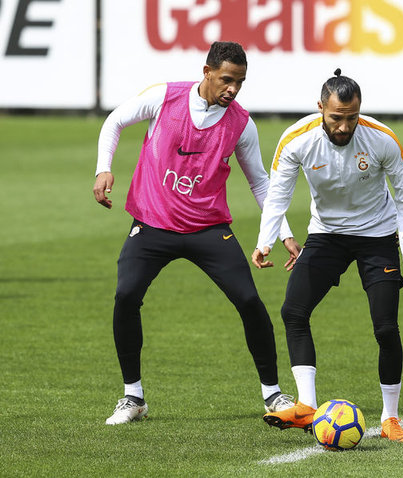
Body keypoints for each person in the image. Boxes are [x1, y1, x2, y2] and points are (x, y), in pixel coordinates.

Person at [93, 41, 300, 425]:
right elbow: (115, 121)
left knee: (249, 301)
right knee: (126, 295)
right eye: (226, 79)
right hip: (152, 223)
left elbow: (260, 182)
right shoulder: (164, 97)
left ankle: (273, 394)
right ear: (207, 72)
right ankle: (133, 397)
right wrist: (103, 168)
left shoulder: (241, 123)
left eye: (240, 82)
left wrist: (283, 233)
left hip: (208, 228)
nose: (233, 89)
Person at [251, 69, 403, 442]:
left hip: (377, 235)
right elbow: (278, 193)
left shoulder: (382, 139)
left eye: (352, 117)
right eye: (336, 118)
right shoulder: (297, 139)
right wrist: (267, 240)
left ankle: (390, 419)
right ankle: (306, 406)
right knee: (293, 311)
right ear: (320, 108)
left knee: (385, 327)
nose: (345, 126)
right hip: (327, 235)